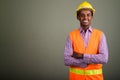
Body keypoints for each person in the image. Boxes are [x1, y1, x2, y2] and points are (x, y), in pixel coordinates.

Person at [64, 1, 108, 80]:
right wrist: (84, 62)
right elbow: (67, 60)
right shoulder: (71, 35)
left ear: (92, 17)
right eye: (82, 15)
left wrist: (81, 56)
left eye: (88, 15)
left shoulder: (100, 35)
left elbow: (104, 58)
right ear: (78, 17)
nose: (85, 18)